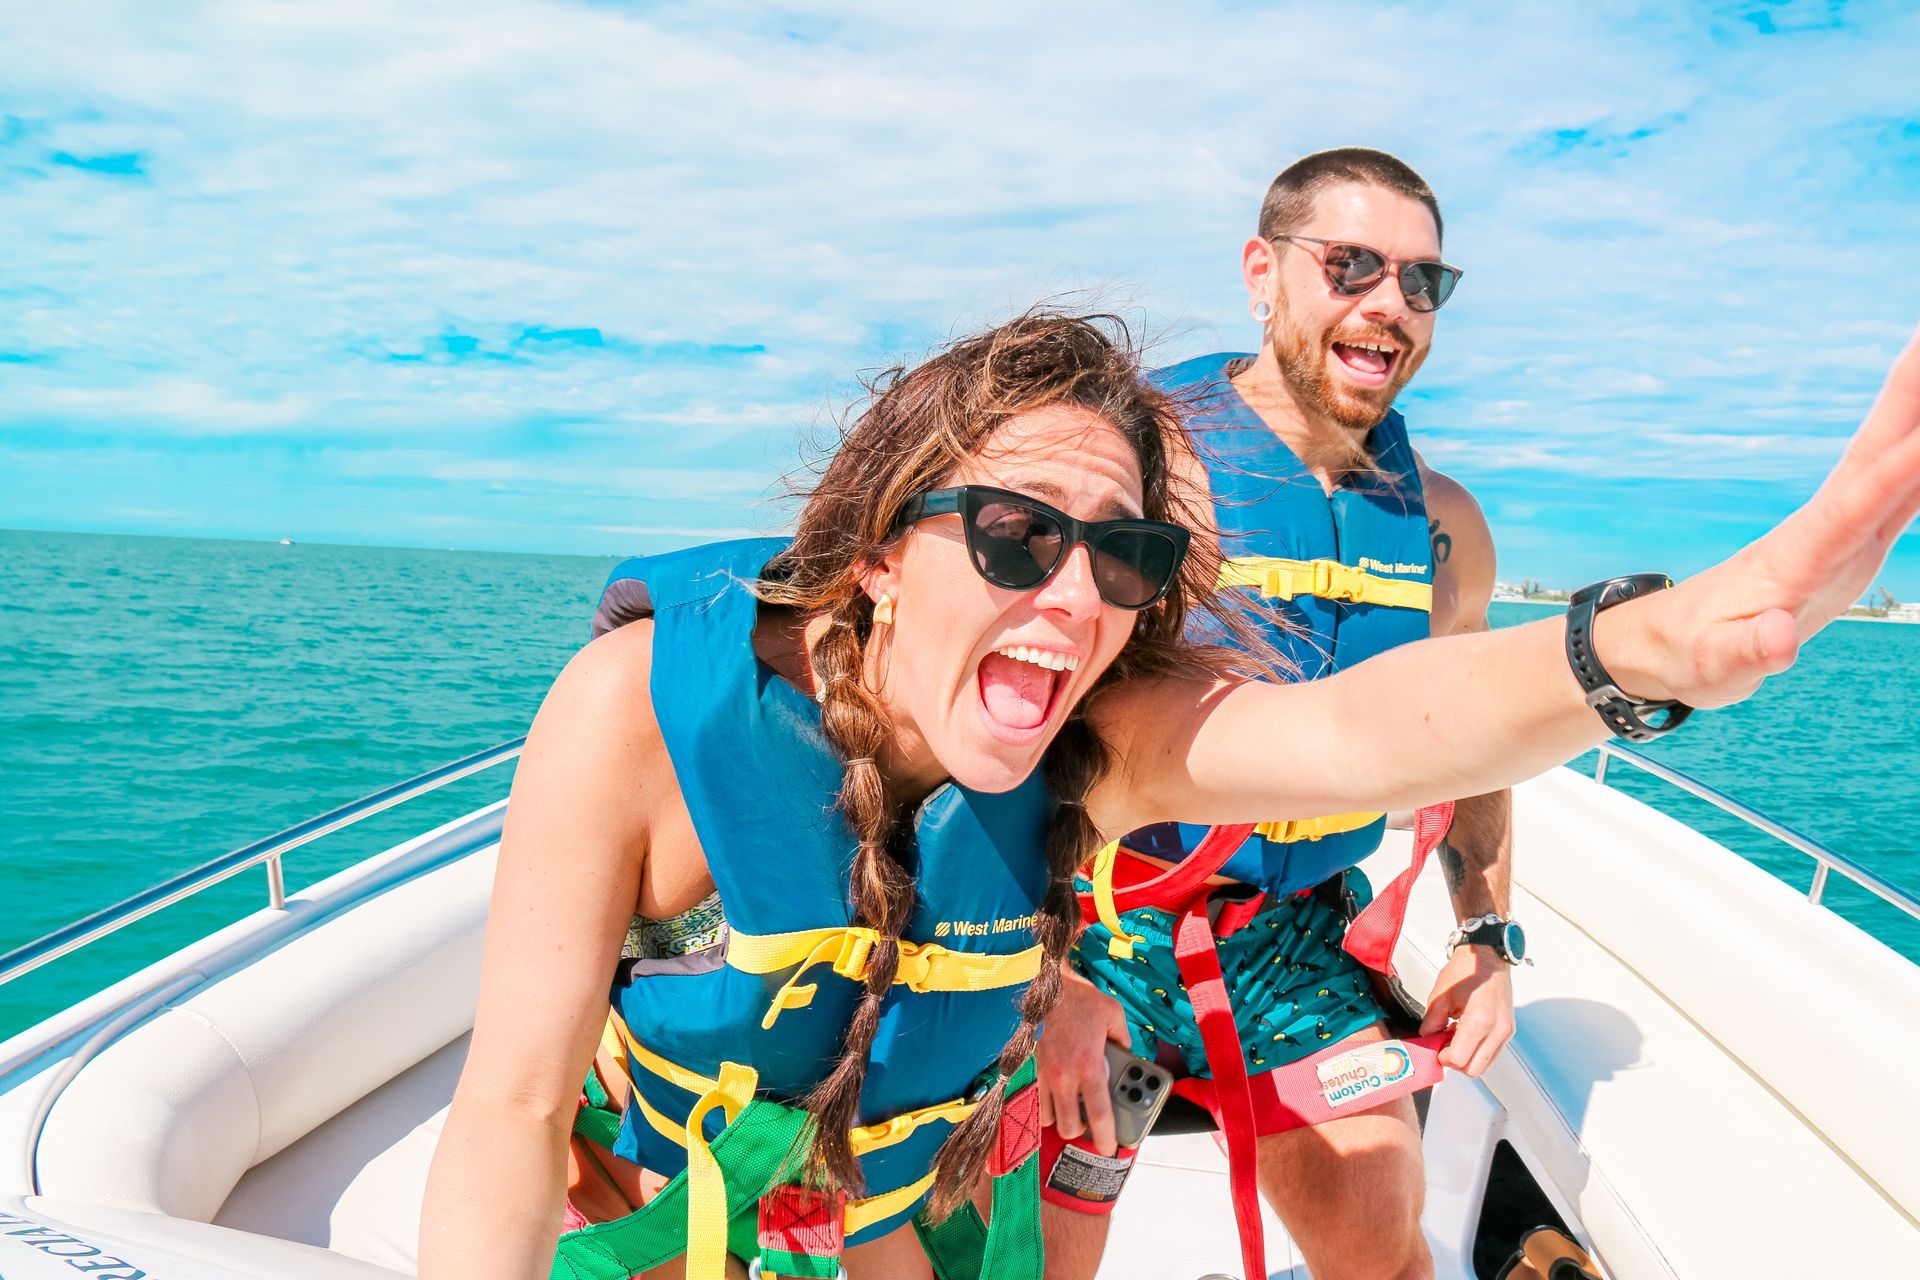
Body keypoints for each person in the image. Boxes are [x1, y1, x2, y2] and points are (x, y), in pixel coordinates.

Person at [418, 304, 1920, 1280]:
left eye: (1121, 559)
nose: (1073, 600)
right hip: (644, 1210)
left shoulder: (1092, 738)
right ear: (878, 551)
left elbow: (1360, 733)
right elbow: (511, 1105)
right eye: (1014, 534)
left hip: (890, 1209)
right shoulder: (644, 719)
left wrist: (1654, 645)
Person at [1036, 148, 1512, 1280]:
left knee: (1382, 1242)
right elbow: (1003, 716)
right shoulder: (1139, 476)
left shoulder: (1441, 522)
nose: (1389, 304)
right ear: (1263, 272)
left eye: (1422, 282)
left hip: (1295, 934)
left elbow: (1481, 737)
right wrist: (1038, 974)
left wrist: (1487, 938)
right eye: (1351, 265)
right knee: (1039, 1259)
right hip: (1097, 927)